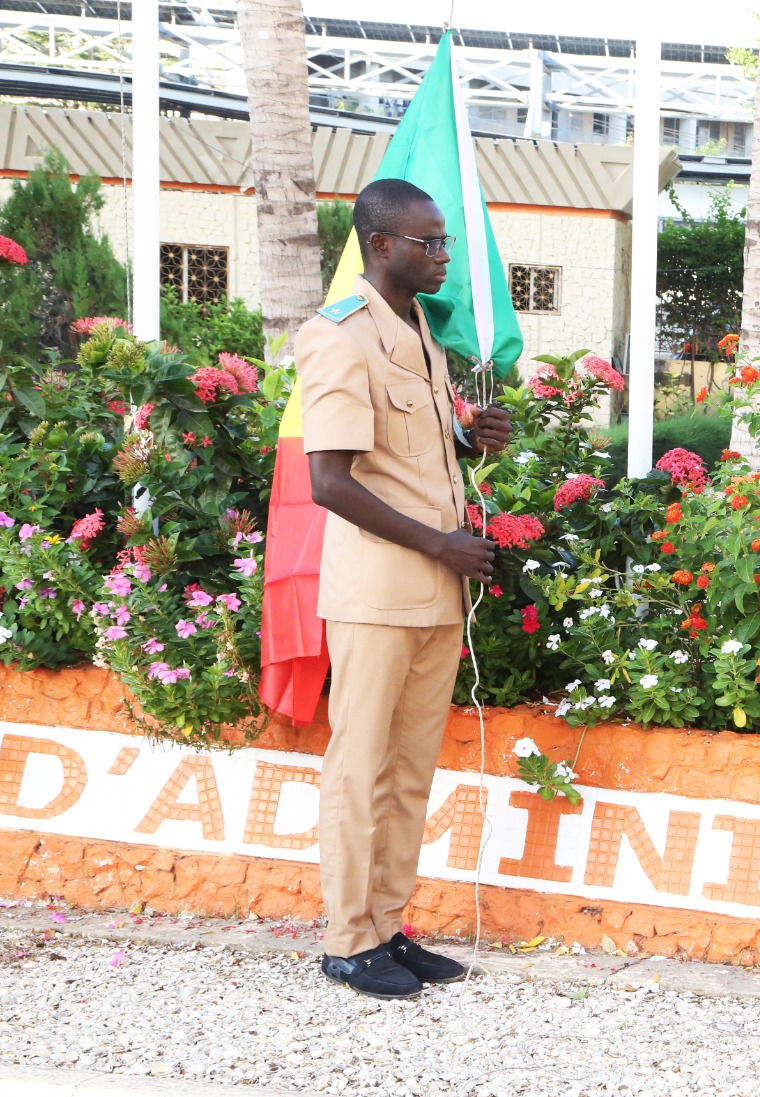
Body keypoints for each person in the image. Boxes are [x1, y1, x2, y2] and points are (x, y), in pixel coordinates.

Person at [298, 178, 512, 1000]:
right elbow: (329, 481)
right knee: (360, 766)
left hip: (434, 585)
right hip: (379, 588)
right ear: (382, 245)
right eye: (431, 243)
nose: (444, 255)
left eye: (445, 241)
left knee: (411, 768)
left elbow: (410, 454)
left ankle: (388, 923)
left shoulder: (418, 326)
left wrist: (468, 436)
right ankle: (348, 939)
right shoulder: (338, 336)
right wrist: (439, 543)